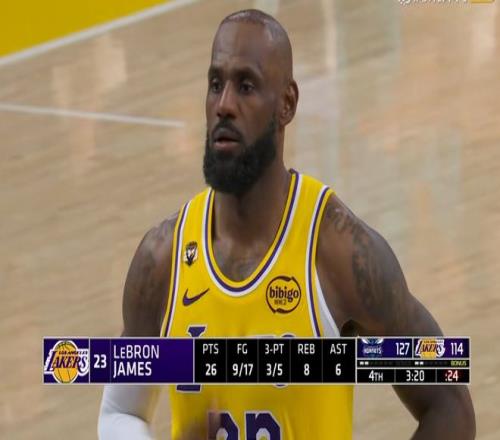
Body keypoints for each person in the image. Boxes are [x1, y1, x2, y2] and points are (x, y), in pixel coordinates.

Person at [98, 9, 475, 440]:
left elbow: (450, 407)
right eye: (216, 84)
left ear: (287, 104)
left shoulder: (342, 253)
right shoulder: (161, 259)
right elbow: (120, 411)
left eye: (246, 86)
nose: (224, 105)